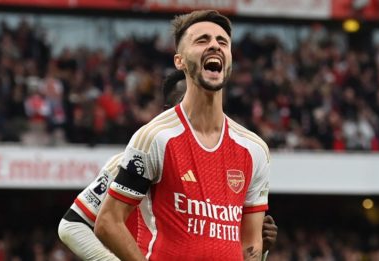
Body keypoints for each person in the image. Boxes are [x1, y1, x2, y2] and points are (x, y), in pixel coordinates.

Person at [94, 10, 271, 260]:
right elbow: (108, 222)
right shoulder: (155, 138)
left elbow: (250, 243)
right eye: (202, 40)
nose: (214, 45)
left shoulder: (254, 149)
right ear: (180, 61)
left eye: (223, 42)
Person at [58, 70, 276, 260]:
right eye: (188, 98)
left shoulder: (228, 164)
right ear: (167, 109)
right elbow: (72, 225)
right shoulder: (131, 161)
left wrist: (258, 247)